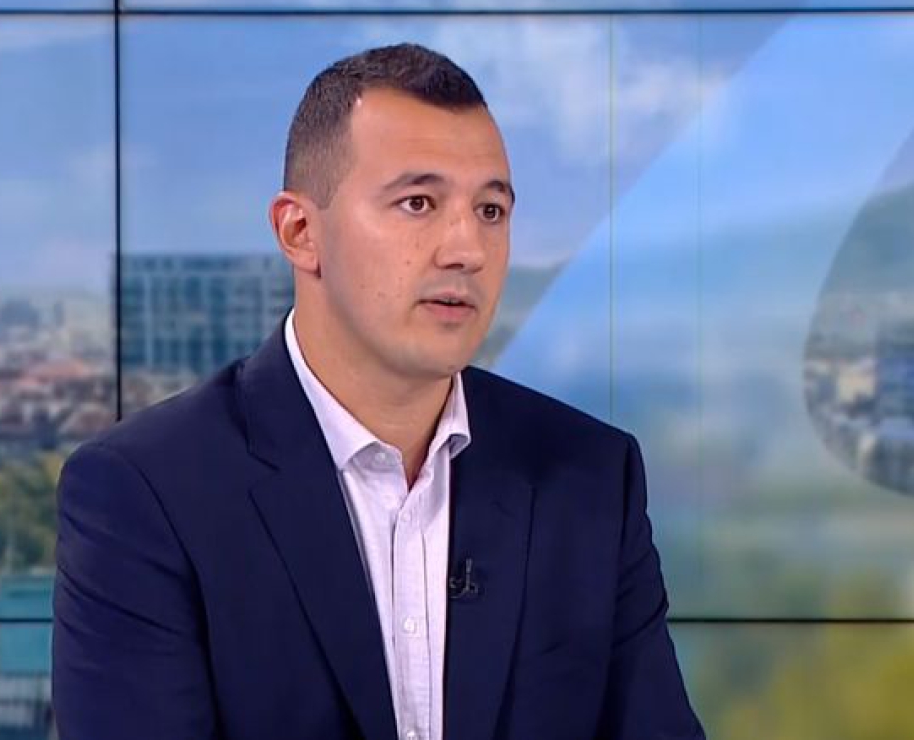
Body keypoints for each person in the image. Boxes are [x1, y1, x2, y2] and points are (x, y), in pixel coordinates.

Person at [52, 42, 705, 740]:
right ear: (300, 232)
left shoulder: (589, 476)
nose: (467, 249)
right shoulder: (146, 493)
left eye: (491, 210)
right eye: (418, 203)